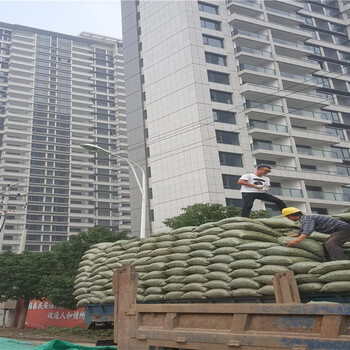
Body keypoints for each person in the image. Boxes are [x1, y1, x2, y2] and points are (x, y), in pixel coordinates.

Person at [282, 207, 350, 261]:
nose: (288, 219)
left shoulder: (306, 219)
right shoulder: (304, 219)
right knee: (324, 246)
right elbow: (300, 232)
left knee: (331, 244)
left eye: (288, 217)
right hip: (338, 230)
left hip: (343, 229)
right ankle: (330, 262)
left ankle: (341, 263)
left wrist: (296, 241)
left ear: (291, 215)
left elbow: (307, 231)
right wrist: (288, 237)